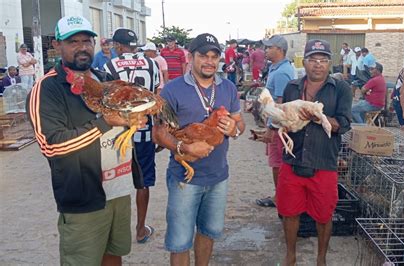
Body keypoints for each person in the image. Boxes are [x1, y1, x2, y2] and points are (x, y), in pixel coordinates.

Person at [26, 15, 146, 265]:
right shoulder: (47, 88)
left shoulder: (105, 78)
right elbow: (52, 145)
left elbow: (123, 118)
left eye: (87, 40)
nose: (82, 46)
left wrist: (133, 121)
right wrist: (104, 123)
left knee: (114, 256)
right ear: (57, 46)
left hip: (119, 188)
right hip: (83, 197)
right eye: (73, 41)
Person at [152, 32, 245, 266]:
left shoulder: (228, 88)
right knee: (180, 241)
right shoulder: (172, 90)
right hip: (184, 178)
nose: (209, 61)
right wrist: (184, 146)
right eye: (203, 55)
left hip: (218, 177)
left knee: (208, 232)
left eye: (215, 56)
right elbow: (159, 133)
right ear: (190, 56)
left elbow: (240, 123)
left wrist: (234, 129)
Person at [277, 39, 352, 266]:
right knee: (289, 212)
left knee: (324, 215)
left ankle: (321, 258)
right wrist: (275, 122)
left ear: (330, 63)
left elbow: (345, 123)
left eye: (323, 60)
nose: (317, 65)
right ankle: (290, 255)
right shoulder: (292, 87)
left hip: (324, 162)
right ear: (305, 62)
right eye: (312, 59)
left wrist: (320, 118)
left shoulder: (340, 88)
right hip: (293, 159)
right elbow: (283, 118)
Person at [104, 28, 160, 244]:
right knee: (143, 181)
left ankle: (111, 231)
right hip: (144, 132)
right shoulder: (151, 63)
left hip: (117, 133)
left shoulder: (110, 66)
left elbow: (105, 99)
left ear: (118, 46)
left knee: (113, 180)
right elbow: (155, 94)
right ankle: (140, 229)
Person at [255, 35, 295, 208]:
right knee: (277, 162)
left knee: (277, 162)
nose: (265, 50)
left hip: (278, 126)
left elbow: (280, 103)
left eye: (268, 47)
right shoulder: (276, 68)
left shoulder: (281, 73)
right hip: (276, 122)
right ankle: (280, 195)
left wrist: (271, 127)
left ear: (279, 49)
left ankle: (280, 198)